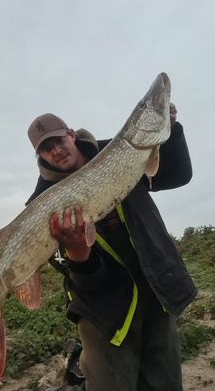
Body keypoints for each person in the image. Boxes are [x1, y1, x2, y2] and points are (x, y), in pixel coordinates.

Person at [26, 108, 197, 391]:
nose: (56, 150)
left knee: (164, 381)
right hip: (103, 309)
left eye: (58, 140)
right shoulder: (41, 204)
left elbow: (178, 175)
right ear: (40, 157)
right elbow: (87, 282)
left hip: (155, 284)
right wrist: (79, 253)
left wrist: (170, 131)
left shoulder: (120, 153)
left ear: (71, 134)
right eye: (46, 148)